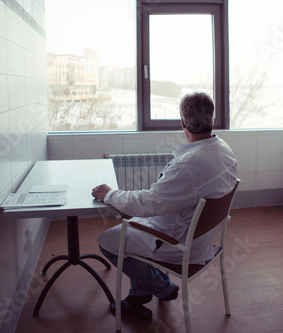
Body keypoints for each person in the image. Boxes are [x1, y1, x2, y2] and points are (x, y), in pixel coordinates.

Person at [91, 92, 238, 319]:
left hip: (178, 244)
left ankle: (163, 287)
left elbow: (147, 203)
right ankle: (139, 295)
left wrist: (110, 194)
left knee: (110, 242)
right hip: (201, 236)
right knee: (131, 231)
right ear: (211, 119)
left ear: (182, 123)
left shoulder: (189, 165)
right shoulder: (224, 150)